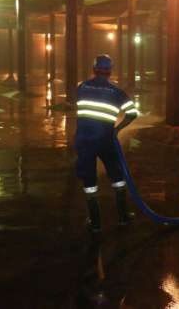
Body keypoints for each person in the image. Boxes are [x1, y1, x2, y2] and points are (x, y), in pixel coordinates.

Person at [75, 55, 139, 233]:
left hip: (84, 141)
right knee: (117, 179)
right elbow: (132, 114)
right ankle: (123, 217)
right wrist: (117, 129)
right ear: (110, 71)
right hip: (106, 141)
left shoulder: (82, 87)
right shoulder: (117, 92)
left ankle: (95, 224)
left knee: (89, 182)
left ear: (94, 69)